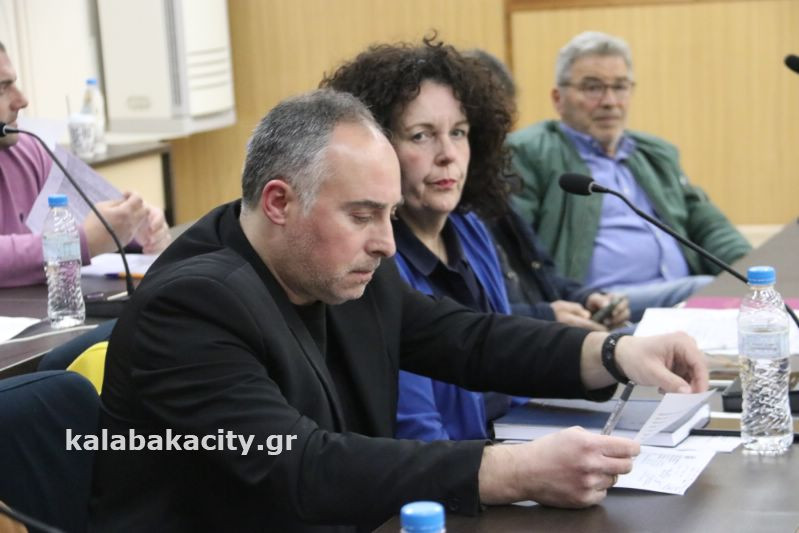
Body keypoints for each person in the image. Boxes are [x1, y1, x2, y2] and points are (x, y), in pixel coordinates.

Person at [90, 89, 708, 532]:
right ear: (278, 201)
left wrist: (613, 352)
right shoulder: (191, 306)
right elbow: (299, 467)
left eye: (389, 214)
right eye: (362, 215)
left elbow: (462, 338)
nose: (386, 242)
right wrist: (512, 470)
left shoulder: (332, 265)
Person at [321, 40, 627, 444]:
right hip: (455, 466)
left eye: (459, 133)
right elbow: (416, 434)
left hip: (513, 436)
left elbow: (506, 364)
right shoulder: (373, 258)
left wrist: (616, 356)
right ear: (377, 148)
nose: (448, 154)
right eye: (421, 135)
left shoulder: (470, 226)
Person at [507, 31, 751, 321]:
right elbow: (515, 244)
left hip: (677, 291)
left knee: (748, 298)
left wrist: (749, 269)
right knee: (705, 292)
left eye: (620, 87)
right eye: (593, 88)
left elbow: (707, 224)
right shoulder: (530, 152)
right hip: (603, 302)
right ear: (558, 99)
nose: (610, 101)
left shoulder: (655, 154)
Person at [464, 48, 631, 330]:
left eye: (499, 129)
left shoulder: (489, 190)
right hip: (530, 343)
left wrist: (586, 298)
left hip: (550, 333)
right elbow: (467, 321)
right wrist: (547, 316)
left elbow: (543, 273)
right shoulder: (445, 212)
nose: (493, 144)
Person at [0, 41, 170, 288]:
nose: (22, 100)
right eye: (2, 88)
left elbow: (97, 216)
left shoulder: (28, 149)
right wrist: (81, 242)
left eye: (14, 84)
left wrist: (139, 225)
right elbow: (88, 237)